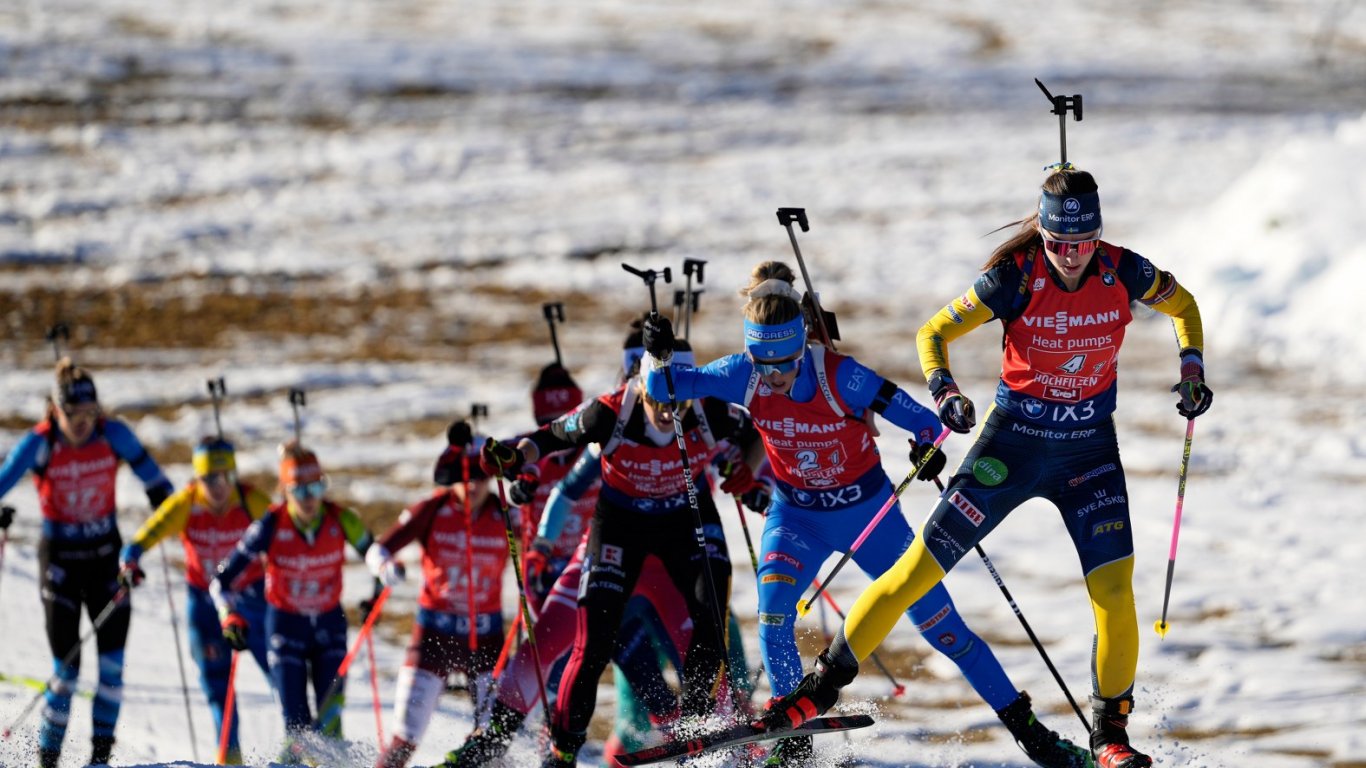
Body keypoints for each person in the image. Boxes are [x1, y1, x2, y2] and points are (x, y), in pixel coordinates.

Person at [755, 166, 1211, 768]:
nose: (1071, 257)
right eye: (1057, 244)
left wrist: (1192, 367)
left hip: (1088, 454)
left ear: (1098, 236)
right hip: (1010, 449)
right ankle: (819, 691)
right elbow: (934, 331)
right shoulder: (1013, 278)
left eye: (1082, 244)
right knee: (915, 570)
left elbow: (1185, 306)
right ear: (1042, 238)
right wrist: (944, 390)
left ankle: (1111, 736)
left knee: (1114, 592)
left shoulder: (1125, 270)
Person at [641, 262, 1089, 767]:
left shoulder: (842, 377)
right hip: (797, 519)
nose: (775, 378)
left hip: (871, 517)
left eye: (784, 365)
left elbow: (923, 421)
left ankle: (1032, 735)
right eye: (763, 366)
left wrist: (927, 449)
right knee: (772, 617)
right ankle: (795, 742)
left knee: (946, 632)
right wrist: (657, 357)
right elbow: (664, 391)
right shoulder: (743, 375)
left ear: (802, 343)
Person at [480, 337, 763, 768]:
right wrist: (515, 457)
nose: (668, 415)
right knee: (593, 643)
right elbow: (549, 436)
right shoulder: (609, 411)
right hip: (621, 525)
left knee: (711, 616)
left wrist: (744, 469)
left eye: (678, 403)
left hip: (683, 520)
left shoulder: (710, 410)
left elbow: (760, 431)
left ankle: (695, 721)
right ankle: (565, 748)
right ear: (641, 387)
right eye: (658, 402)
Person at [0, 358, 173, 768]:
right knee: (67, 671)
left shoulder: (112, 434)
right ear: (55, 410)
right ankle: (48, 761)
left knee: (112, 672)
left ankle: (98, 761)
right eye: (72, 415)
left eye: (89, 413)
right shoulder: (41, 442)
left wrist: (161, 500)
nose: (81, 423)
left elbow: (159, 482)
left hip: (105, 563)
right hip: (60, 565)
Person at [210, 441, 376, 763]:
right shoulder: (270, 525)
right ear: (285, 491)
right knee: (297, 728)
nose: (310, 498)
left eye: (316, 487)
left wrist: (377, 591)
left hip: (329, 622)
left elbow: (377, 556)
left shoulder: (340, 518)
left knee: (330, 723)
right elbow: (221, 582)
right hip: (286, 626)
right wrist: (228, 616)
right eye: (299, 491)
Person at [119, 437, 274, 765]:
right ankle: (230, 759)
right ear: (197, 478)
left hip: (252, 601)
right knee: (218, 688)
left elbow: (286, 532)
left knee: (282, 677)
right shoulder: (186, 503)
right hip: (204, 605)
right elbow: (145, 535)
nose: (218, 488)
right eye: (209, 479)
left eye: (226, 477)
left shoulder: (251, 501)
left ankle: (304, 750)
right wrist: (130, 560)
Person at [367, 422, 513, 768]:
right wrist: (388, 569)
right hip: (434, 635)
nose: (474, 484)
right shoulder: (433, 508)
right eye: (467, 475)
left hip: (488, 637)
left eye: (481, 475)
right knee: (404, 737)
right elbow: (378, 550)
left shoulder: (503, 511)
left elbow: (541, 542)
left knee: (494, 743)